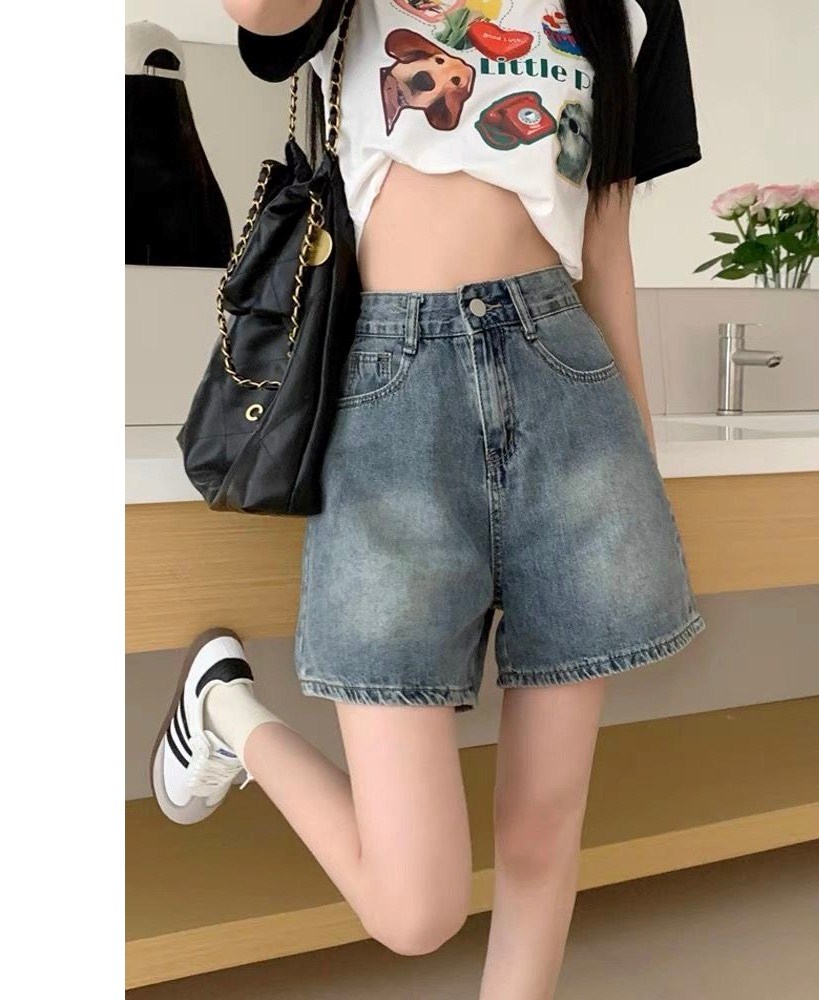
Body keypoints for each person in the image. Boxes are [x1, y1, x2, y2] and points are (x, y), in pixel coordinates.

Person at [151, 1, 704, 995]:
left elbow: (609, 244)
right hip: (389, 394)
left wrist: (640, 470)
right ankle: (223, 709)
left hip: (572, 399)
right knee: (416, 908)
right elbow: (257, 12)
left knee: (542, 829)